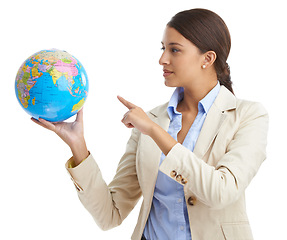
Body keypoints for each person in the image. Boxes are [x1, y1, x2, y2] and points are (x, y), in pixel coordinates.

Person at [32, 8, 269, 240]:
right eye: (163, 48)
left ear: (207, 58)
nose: (162, 59)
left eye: (174, 50)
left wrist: (154, 132)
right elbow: (109, 215)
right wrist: (78, 145)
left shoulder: (248, 115)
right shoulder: (151, 120)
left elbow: (221, 192)